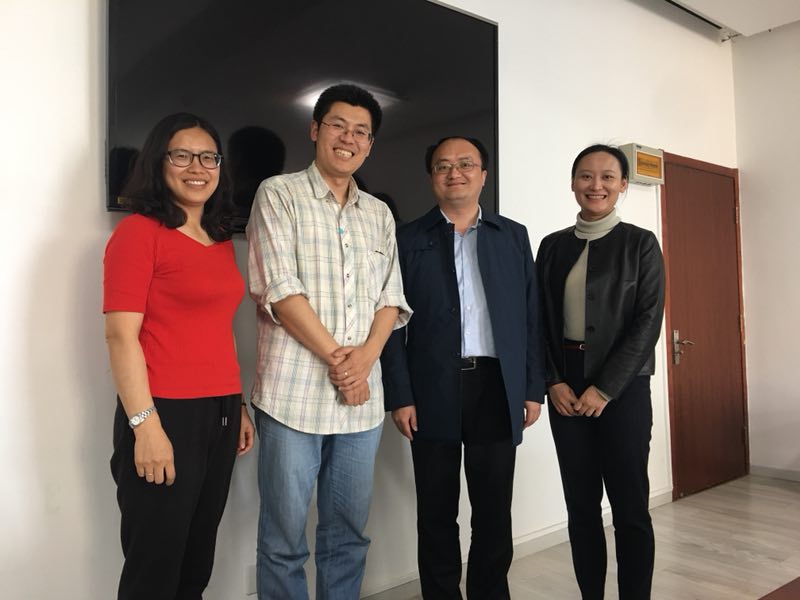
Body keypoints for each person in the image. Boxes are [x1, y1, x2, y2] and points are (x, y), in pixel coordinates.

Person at [246, 83, 411, 600]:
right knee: (284, 541)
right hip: (292, 398)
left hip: (361, 407)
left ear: (370, 144)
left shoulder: (379, 213)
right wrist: (344, 364)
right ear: (315, 129)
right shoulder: (278, 194)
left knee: (348, 536)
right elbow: (280, 290)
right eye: (338, 125)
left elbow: (391, 298)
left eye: (361, 131)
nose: (349, 138)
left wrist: (363, 362)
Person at [381, 136, 545, 599]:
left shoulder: (512, 235)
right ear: (431, 177)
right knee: (436, 511)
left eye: (466, 164)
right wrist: (400, 395)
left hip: (497, 386)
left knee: (493, 511)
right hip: (432, 387)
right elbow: (388, 322)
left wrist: (532, 387)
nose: (455, 173)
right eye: (443, 166)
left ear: (483, 175)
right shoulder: (407, 238)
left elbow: (531, 315)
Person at [103, 112, 255, 600]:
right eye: (182, 155)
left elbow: (218, 328)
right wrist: (145, 426)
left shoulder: (219, 238)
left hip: (221, 410)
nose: (197, 167)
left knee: (195, 563)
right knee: (154, 570)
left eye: (208, 157)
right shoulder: (138, 233)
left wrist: (238, 403)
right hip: (163, 412)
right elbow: (120, 337)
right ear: (159, 162)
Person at [536, 144, 665, 600]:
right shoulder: (552, 246)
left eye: (608, 177)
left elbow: (648, 322)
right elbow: (538, 320)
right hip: (565, 386)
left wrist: (605, 389)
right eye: (586, 176)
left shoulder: (641, 243)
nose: (596, 185)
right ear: (573, 183)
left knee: (630, 509)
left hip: (623, 388)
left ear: (623, 185)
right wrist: (552, 380)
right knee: (581, 508)